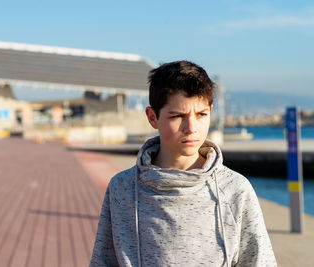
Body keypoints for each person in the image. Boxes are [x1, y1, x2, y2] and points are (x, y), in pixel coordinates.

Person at [89, 60, 277, 266]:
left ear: (211, 112)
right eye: (178, 116)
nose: (191, 128)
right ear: (152, 117)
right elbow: (103, 261)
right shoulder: (122, 188)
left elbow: (259, 261)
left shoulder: (235, 189)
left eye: (201, 114)